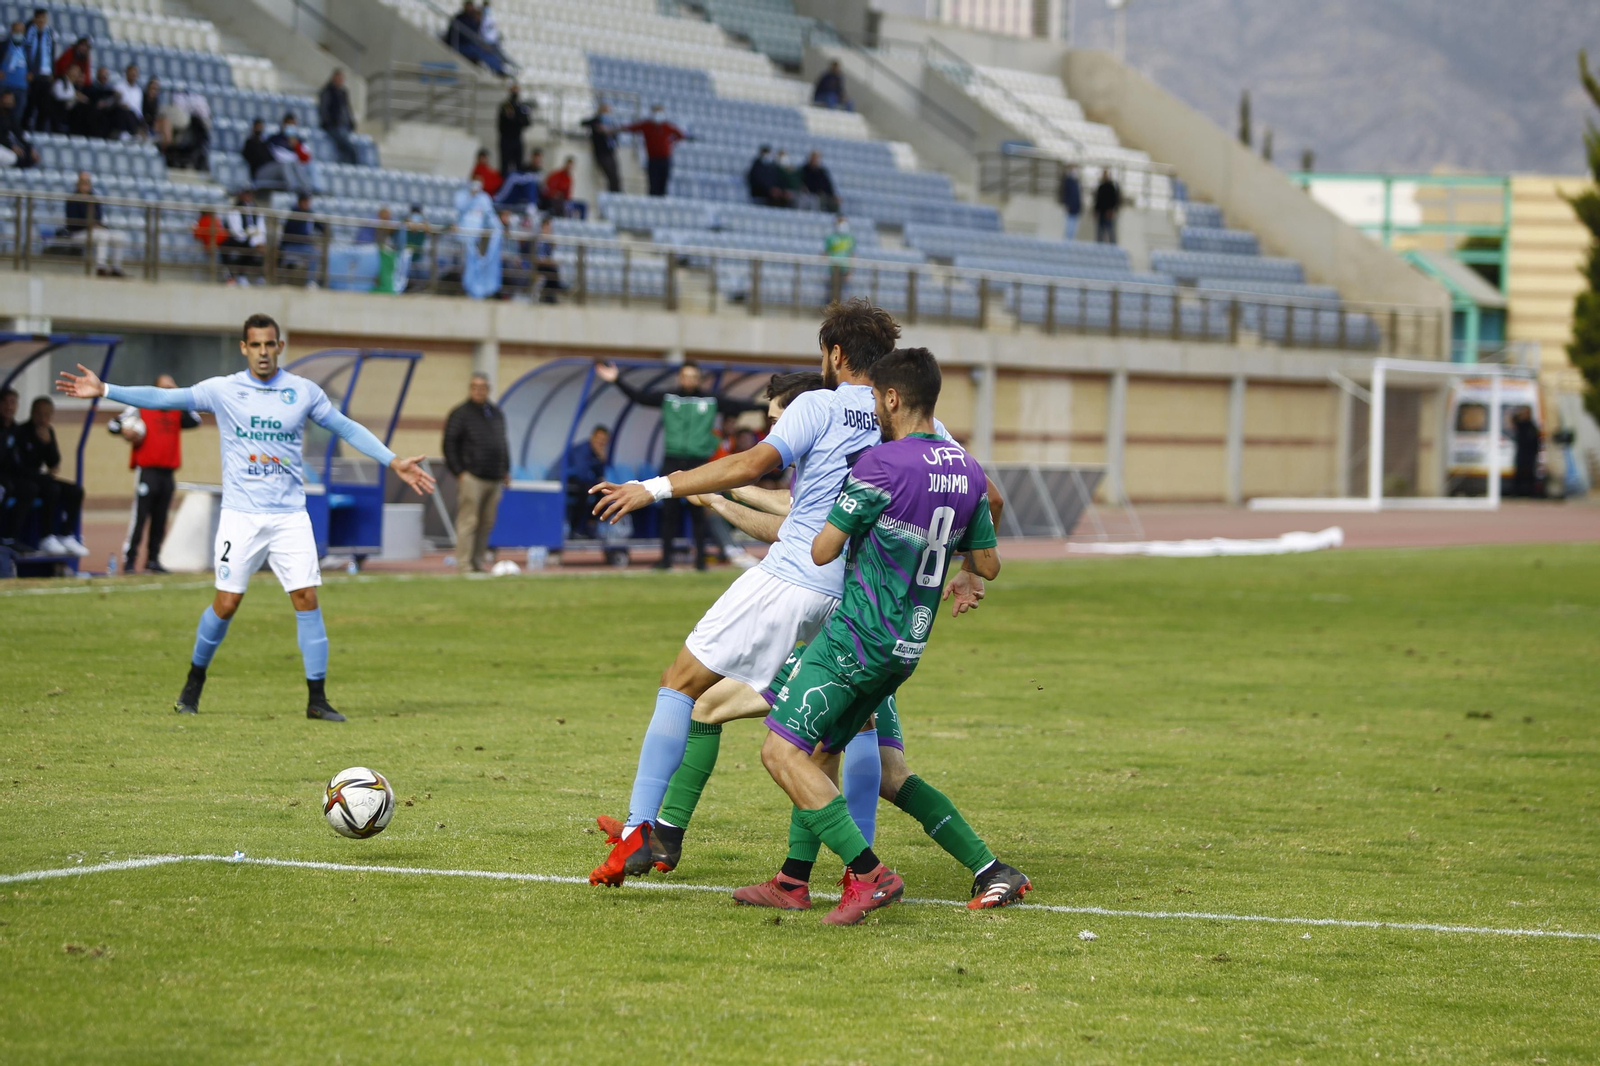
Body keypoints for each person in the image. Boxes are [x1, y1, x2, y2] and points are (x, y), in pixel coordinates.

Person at [581, 304, 987, 889]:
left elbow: (753, 463)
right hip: (861, 599)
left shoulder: (818, 404)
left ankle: (642, 829)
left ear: (837, 355)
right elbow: (987, 497)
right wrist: (969, 567)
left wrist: (654, 488)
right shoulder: (920, 423)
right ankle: (838, 864)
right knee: (850, 730)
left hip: (793, 578)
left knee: (682, 683)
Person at [56, 313, 437, 719]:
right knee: (227, 602)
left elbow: (346, 427)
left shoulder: (303, 392)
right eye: (255, 345)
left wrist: (392, 460)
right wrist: (106, 389)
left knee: (306, 597)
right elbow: (167, 398)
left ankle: (317, 699)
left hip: (290, 516)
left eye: (269, 344)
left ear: (280, 347)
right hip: (241, 517)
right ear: (244, 348)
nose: (263, 352)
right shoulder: (224, 390)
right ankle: (193, 682)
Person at [748, 347, 1000, 923]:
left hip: (855, 639)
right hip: (906, 647)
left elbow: (821, 549)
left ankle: (869, 875)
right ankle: (793, 880)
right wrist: (956, 570)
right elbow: (986, 564)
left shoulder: (880, 466)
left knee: (779, 752)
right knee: (820, 751)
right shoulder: (967, 470)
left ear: (890, 398)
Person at [592, 359, 765, 571]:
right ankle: (666, 560)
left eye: (694, 376)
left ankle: (700, 561)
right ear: (680, 377)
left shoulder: (710, 400)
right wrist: (616, 379)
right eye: (686, 375)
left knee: (700, 511)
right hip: (672, 459)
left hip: (698, 462)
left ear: (699, 379)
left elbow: (740, 405)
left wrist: (768, 404)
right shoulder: (668, 397)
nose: (689, 380)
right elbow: (639, 397)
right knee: (669, 513)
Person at [117, 373, 200, 573]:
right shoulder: (141, 406)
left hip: (167, 472)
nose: (169, 392)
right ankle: (130, 560)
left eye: (172, 389)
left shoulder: (176, 411)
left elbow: (195, 421)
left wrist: (179, 397)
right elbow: (115, 424)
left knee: (160, 518)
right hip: (147, 471)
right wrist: (125, 431)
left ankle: (153, 559)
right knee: (140, 517)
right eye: (165, 388)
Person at [442, 373, 510, 574]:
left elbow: (502, 442)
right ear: (470, 389)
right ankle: (463, 565)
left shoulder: (496, 413)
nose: (479, 390)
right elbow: (449, 444)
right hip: (472, 476)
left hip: (494, 476)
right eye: (475, 387)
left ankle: (478, 563)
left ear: (488, 389)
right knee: (468, 521)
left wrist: (505, 469)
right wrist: (459, 471)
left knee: (486, 523)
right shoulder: (460, 414)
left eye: (483, 387)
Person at [10, 396, 88, 556]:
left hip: (40, 478)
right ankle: (46, 537)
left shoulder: (48, 431)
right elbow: (18, 464)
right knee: (50, 489)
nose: (43, 418)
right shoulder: (20, 431)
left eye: (47, 415)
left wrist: (47, 443)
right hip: (23, 478)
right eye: (39, 414)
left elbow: (54, 463)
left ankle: (67, 535)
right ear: (32, 413)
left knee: (75, 490)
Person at [64, 171, 130, 277]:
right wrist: (89, 225)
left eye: (87, 181)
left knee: (120, 236)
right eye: (83, 181)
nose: (85, 184)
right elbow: (72, 222)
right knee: (102, 235)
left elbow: (99, 217)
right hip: (79, 232)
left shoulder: (94, 198)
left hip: (96, 230)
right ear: (78, 183)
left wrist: (96, 225)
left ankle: (116, 268)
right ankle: (101, 267)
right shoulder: (73, 199)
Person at [552, 423, 609, 540]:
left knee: (603, 492)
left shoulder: (597, 454)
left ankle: (591, 525)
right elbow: (581, 474)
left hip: (579, 482)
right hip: (563, 480)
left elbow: (600, 477)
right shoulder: (582, 450)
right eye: (599, 439)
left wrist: (601, 461)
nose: (601, 443)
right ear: (592, 437)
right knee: (585, 490)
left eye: (604, 441)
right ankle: (575, 529)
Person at [624, 105, 686, 198]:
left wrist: (671, 143)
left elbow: (680, 135)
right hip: (653, 160)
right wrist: (614, 129)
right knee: (653, 185)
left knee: (663, 184)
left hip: (665, 160)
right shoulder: (647, 125)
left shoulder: (667, 126)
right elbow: (631, 128)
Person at [220, 188, 267, 283]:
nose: (248, 197)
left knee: (259, 248)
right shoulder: (235, 209)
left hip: (253, 238)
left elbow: (261, 228)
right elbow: (235, 229)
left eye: (250, 194)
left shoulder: (257, 210)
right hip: (238, 238)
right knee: (226, 247)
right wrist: (247, 235)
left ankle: (256, 277)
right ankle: (231, 275)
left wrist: (258, 240)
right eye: (246, 194)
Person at [21, 9, 56, 133]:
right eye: (39, 18)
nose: (41, 21)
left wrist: (52, 72)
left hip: (45, 74)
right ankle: (24, 128)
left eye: (44, 19)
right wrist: (28, 70)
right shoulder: (28, 32)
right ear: (35, 19)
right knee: (30, 103)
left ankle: (40, 131)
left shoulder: (49, 33)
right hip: (31, 74)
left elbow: (51, 53)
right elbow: (24, 53)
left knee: (44, 106)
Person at [279, 192, 326, 284]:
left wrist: (325, 228)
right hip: (293, 246)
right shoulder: (294, 215)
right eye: (305, 201)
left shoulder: (309, 214)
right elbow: (294, 235)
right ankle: (308, 281)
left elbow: (320, 226)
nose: (307, 204)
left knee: (316, 253)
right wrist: (310, 241)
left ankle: (311, 281)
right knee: (313, 253)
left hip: (304, 246)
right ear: (300, 202)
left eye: (308, 201)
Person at [318, 68, 358, 165]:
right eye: (338, 77)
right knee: (349, 148)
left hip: (344, 127)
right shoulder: (327, 92)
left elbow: (347, 109)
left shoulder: (343, 93)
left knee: (349, 147)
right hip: (333, 127)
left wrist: (351, 122)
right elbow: (323, 110)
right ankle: (352, 166)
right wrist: (330, 123)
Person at [582, 103, 620, 194]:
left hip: (610, 152)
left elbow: (615, 135)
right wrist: (598, 127)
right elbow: (583, 123)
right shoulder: (596, 121)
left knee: (615, 175)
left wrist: (610, 131)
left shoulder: (611, 123)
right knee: (610, 174)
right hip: (601, 153)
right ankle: (613, 193)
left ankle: (616, 193)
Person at [497, 85, 531, 177]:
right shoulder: (506, 105)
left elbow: (527, 122)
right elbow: (504, 123)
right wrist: (517, 120)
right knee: (505, 165)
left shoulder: (522, 106)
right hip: (506, 139)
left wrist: (516, 119)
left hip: (517, 138)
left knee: (519, 164)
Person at [0, 88, 38, 168]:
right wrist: (12, 147)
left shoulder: (11, 118)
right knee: (12, 158)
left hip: (5, 146)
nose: (8, 102)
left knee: (27, 157)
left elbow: (19, 134)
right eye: (6, 100)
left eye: (10, 100)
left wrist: (30, 148)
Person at [2, 21, 29, 126]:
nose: (18, 34)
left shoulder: (27, 48)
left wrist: (31, 73)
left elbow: (32, 63)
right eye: (16, 31)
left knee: (18, 111)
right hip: (4, 83)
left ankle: (14, 130)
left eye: (21, 31)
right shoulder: (3, 46)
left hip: (21, 85)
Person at [51, 63, 90, 135]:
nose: (76, 74)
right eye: (75, 71)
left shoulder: (73, 86)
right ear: (68, 71)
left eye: (78, 72)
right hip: (59, 113)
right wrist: (75, 96)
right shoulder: (61, 82)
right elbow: (58, 95)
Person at [824, 214, 854, 303]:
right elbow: (825, 253)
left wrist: (850, 271)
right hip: (833, 268)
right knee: (832, 289)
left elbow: (852, 255)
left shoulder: (850, 239)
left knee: (841, 290)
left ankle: (839, 307)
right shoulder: (830, 238)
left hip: (844, 268)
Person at [1512, 407, 1541, 498]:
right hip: (1521, 454)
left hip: (1530, 455)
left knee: (1530, 474)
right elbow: (1513, 418)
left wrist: (1536, 453)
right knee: (1519, 474)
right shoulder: (1520, 425)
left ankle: (1530, 492)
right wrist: (1520, 414)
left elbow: (1537, 441)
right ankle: (1517, 492)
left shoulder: (1532, 427)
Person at [534, 216, 564, 303]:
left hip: (546, 265)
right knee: (552, 272)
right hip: (538, 266)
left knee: (552, 271)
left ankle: (550, 295)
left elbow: (551, 253)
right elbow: (538, 256)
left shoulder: (548, 240)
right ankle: (554, 291)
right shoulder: (539, 240)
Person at [1093, 168, 1120, 244]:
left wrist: (1111, 210)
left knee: (1110, 231)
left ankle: (1113, 247)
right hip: (1101, 212)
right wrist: (1096, 211)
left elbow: (1115, 200)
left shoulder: (1112, 187)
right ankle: (1099, 247)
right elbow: (1098, 200)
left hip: (1109, 213)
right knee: (1100, 232)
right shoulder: (1101, 186)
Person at [1059, 164, 1082, 241]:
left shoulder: (1077, 182)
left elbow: (1078, 196)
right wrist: (1065, 204)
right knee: (1069, 227)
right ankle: (1067, 242)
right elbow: (1065, 193)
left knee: (1074, 229)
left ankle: (1071, 241)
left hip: (1076, 208)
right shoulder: (1068, 181)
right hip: (1070, 207)